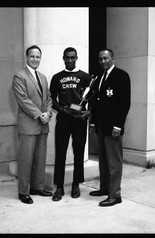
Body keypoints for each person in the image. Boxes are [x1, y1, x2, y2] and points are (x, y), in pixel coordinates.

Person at [89, 49, 131, 207]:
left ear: (113, 58)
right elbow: (97, 103)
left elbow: (124, 103)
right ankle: (105, 188)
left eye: (106, 58)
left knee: (114, 162)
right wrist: (93, 123)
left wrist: (118, 125)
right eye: (100, 59)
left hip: (113, 128)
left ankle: (115, 195)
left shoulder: (122, 76)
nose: (103, 61)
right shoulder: (100, 77)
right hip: (101, 126)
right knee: (104, 161)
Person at [50, 47, 92, 202]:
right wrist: (62, 109)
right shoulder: (57, 77)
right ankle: (59, 187)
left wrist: (88, 113)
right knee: (60, 153)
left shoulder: (85, 77)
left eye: (72, 57)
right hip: (63, 119)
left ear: (76, 58)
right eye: (67, 57)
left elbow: (91, 99)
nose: (69, 60)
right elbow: (51, 100)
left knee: (79, 153)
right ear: (63, 58)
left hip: (79, 120)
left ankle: (76, 184)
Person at [12, 45, 53, 204]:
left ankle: (37, 187)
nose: (35, 59)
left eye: (38, 57)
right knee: (26, 160)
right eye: (32, 56)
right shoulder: (19, 76)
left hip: (43, 124)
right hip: (29, 124)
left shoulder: (42, 77)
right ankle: (23, 192)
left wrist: (48, 113)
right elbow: (23, 100)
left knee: (40, 159)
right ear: (27, 57)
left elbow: (48, 98)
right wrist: (39, 114)